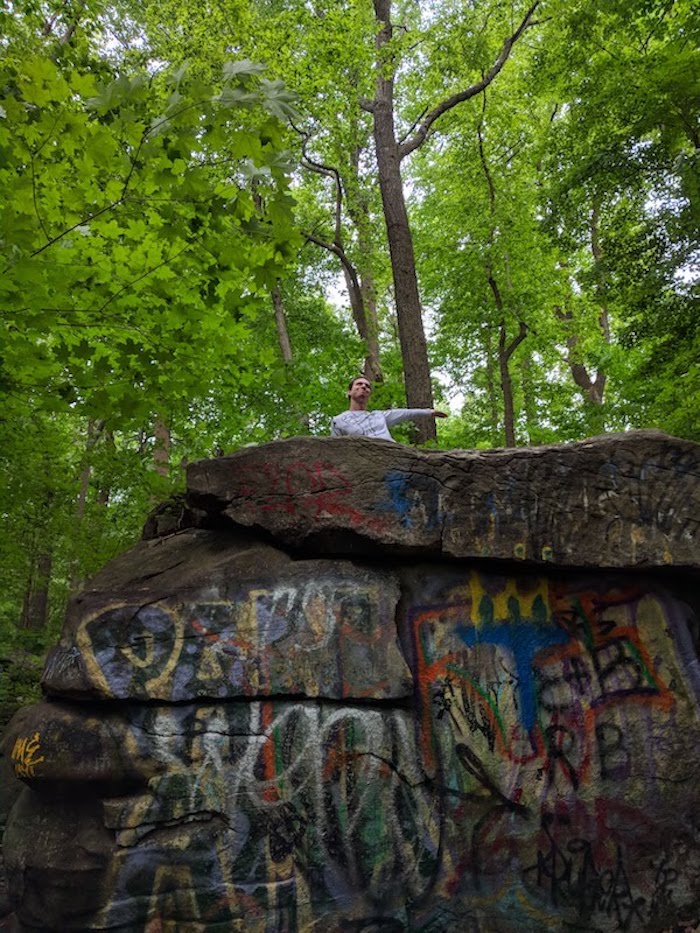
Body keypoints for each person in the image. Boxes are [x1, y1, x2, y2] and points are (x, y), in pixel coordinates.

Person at [331, 376, 448, 441]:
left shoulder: (378, 416)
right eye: (359, 384)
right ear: (349, 392)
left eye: (367, 386)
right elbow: (334, 449)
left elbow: (405, 413)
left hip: (393, 455)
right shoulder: (339, 420)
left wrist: (429, 412)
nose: (364, 387)